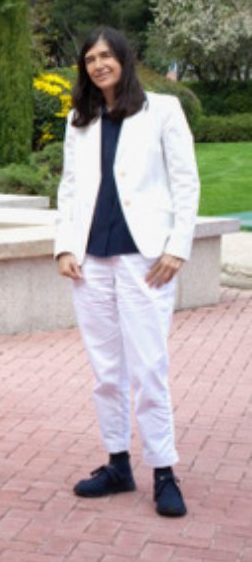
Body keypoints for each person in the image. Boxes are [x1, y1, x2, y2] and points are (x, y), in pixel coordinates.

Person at [54, 27, 199, 517]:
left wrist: (177, 247)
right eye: (90, 58)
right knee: (107, 372)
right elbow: (70, 188)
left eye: (106, 56)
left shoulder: (163, 109)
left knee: (149, 368)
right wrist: (63, 247)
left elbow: (186, 181)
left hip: (146, 261)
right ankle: (118, 463)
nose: (98, 64)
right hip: (90, 262)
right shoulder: (80, 119)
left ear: (124, 59)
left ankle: (164, 470)